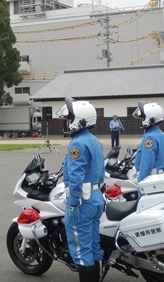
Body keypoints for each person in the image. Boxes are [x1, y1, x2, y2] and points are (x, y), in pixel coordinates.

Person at [56, 97, 105, 282]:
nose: (68, 123)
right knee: (93, 245)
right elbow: (101, 171)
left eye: (70, 119)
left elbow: (75, 178)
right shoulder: (95, 141)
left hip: (81, 201)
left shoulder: (77, 143)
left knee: (80, 249)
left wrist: (73, 203)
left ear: (79, 120)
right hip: (95, 197)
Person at [133, 101, 164, 183]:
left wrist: (142, 183)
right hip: (160, 176)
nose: (142, 121)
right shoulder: (162, 135)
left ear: (150, 119)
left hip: (150, 178)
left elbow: (147, 164)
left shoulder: (150, 137)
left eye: (143, 118)